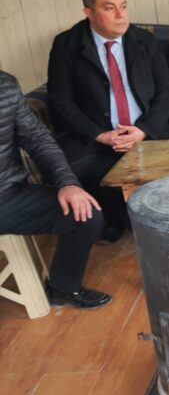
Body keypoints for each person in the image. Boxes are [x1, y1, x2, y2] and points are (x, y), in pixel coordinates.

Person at [47, 0, 169, 242]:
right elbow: (61, 102)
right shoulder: (67, 45)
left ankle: (147, 223)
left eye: (124, 6)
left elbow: (167, 91)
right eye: (109, 8)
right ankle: (114, 220)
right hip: (96, 137)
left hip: (146, 131)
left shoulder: (144, 41)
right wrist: (99, 134)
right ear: (88, 12)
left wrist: (143, 129)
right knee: (84, 171)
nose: (121, 15)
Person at [0, 71, 111, 310]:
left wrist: (67, 183)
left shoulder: (5, 86)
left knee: (85, 214)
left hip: (7, 196)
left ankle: (63, 288)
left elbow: (37, 139)